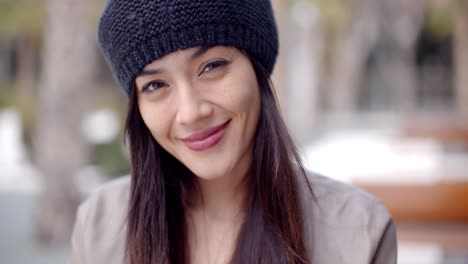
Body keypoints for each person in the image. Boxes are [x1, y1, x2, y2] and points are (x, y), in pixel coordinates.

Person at [69, 0, 397, 263]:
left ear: (256, 70)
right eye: (156, 85)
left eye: (211, 66)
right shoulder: (99, 225)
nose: (191, 112)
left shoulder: (358, 231)